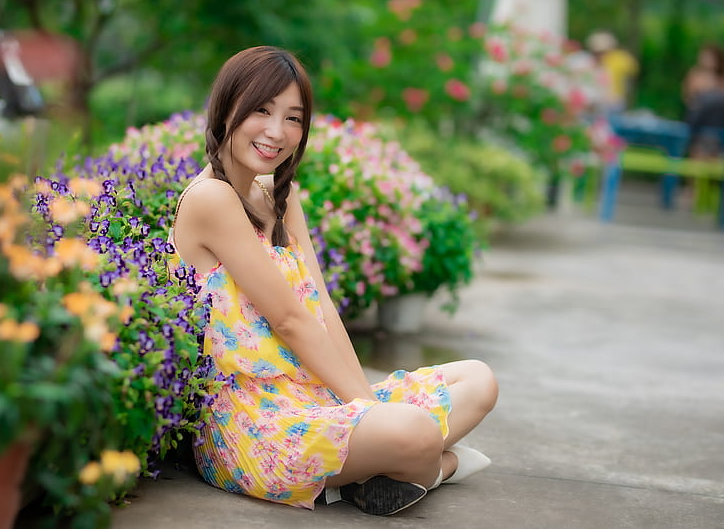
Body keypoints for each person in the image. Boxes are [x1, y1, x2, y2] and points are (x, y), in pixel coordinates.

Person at [170, 46, 498, 516]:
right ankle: (434, 467)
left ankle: (377, 472)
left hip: (313, 397)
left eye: (293, 118)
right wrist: (372, 411)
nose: (276, 132)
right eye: (261, 110)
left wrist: (359, 401)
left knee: (479, 380)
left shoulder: (278, 195)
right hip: (253, 427)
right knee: (415, 432)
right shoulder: (210, 199)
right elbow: (289, 320)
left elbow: (320, 309)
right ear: (225, 110)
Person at [586, 30, 639, 113]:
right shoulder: (590, 62)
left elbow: (633, 70)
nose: (599, 55)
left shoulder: (619, 58)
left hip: (614, 102)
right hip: (596, 103)